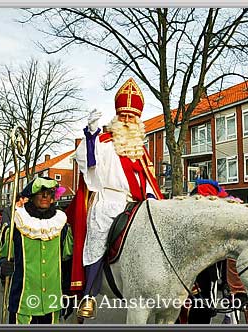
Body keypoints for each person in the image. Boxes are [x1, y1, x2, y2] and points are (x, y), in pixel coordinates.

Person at [69, 77, 163, 319]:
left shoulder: (139, 150)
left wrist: (155, 204)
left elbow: (148, 183)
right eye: (124, 116)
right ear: (117, 117)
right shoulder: (104, 143)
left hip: (134, 203)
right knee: (99, 236)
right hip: (107, 200)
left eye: (132, 117)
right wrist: (90, 135)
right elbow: (86, 161)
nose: (128, 120)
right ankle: (88, 295)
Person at [0, 177, 73, 324]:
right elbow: (2, 257)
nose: (45, 195)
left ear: (53, 197)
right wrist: (2, 267)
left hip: (52, 302)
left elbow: (67, 263)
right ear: (31, 196)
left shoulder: (61, 226)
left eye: (49, 192)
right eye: (40, 191)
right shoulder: (16, 225)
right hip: (23, 303)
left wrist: (68, 294)